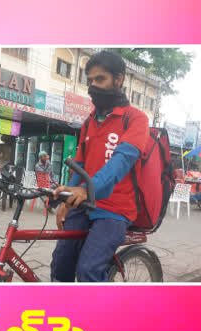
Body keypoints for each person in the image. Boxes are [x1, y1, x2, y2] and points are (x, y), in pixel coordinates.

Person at [50, 51, 150, 282]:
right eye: (90, 81)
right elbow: (80, 164)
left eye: (100, 79)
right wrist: (67, 197)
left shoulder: (136, 119)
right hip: (84, 203)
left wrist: (87, 188)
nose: (93, 86)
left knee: (88, 269)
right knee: (61, 263)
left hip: (116, 208)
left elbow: (122, 160)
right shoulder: (89, 121)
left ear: (118, 79)